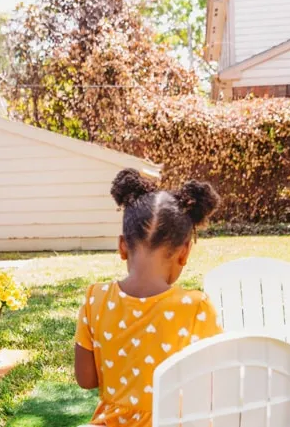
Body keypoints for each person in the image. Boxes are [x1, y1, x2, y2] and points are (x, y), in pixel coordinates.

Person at [74, 168, 224, 426]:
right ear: (184, 252)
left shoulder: (94, 298)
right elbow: (211, 387)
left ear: (122, 246)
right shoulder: (196, 306)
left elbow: (86, 380)